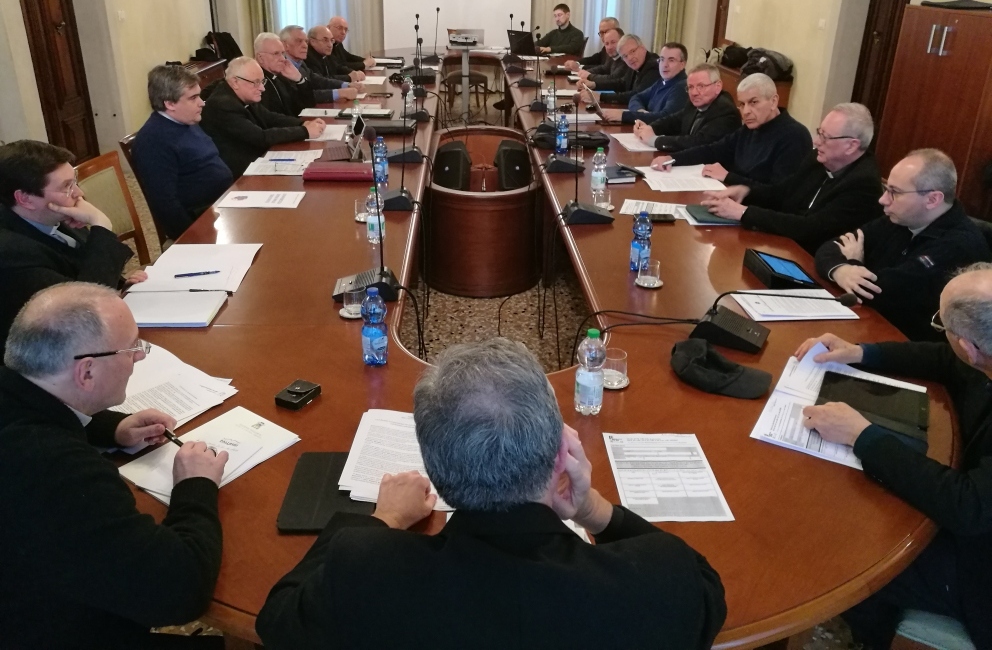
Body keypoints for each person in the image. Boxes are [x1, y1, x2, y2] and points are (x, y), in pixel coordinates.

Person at [256, 338, 726, 649]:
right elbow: (706, 586)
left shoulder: (363, 570)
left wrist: (386, 519)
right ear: (561, 456)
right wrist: (593, 509)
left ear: (435, 470)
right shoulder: (657, 582)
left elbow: (278, 619)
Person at [0, 282, 229, 648]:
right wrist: (195, 486)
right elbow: (179, 591)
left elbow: (29, 409)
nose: (138, 357)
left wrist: (111, 429)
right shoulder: (55, 471)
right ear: (86, 373)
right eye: (131, 349)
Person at [795, 261, 992, 649]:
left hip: (980, 569)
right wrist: (861, 353)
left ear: (969, 348)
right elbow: (944, 360)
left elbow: (969, 508)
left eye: (943, 327)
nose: (944, 337)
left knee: (855, 551)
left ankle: (862, 639)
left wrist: (862, 435)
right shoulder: (983, 353)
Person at [814, 148, 989, 341]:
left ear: (932, 199)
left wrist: (853, 262)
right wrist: (842, 270)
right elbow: (830, 246)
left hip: (907, 343)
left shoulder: (958, 246)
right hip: (870, 323)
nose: (883, 200)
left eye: (894, 192)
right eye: (886, 189)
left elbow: (882, 292)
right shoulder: (900, 218)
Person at [0, 140, 144, 359]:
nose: (79, 192)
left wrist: (122, 284)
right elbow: (84, 311)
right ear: (25, 199)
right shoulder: (11, 253)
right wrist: (101, 225)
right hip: (51, 359)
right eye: (66, 187)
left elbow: (83, 267)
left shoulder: (51, 213)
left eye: (74, 182)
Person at [699, 103, 884, 254]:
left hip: (814, 261)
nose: (816, 141)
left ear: (851, 146)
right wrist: (746, 191)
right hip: (785, 246)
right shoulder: (817, 159)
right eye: (819, 132)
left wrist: (743, 212)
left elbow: (811, 229)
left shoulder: (864, 185)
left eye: (825, 137)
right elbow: (782, 192)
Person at [650, 73, 812, 187]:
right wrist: (673, 158)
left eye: (753, 102)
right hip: (733, 202)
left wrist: (729, 177)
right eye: (741, 104)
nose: (746, 111)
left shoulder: (794, 136)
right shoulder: (749, 129)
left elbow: (778, 194)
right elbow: (713, 150)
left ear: (774, 101)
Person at [130, 65, 233, 241]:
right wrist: (193, 239)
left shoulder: (186, 121)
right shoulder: (154, 141)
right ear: (169, 104)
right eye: (193, 98)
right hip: (202, 221)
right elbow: (166, 204)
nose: (202, 102)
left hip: (223, 206)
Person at [200, 56, 325, 178]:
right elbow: (260, 137)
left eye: (262, 81)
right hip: (239, 177)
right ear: (235, 82)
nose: (262, 88)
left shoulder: (242, 94)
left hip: (255, 162)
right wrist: (305, 131)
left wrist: (302, 123)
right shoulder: (222, 105)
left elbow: (270, 117)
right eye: (256, 82)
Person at [632, 63, 740, 153]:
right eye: (690, 87)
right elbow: (674, 120)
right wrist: (649, 128)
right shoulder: (696, 102)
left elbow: (697, 142)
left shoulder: (725, 110)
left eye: (701, 86)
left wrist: (654, 140)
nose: (694, 93)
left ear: (718, 86)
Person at [280, 26, 359, 104]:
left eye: (306, 41)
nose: (305, 45)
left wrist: (346, 85)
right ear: (285, 45)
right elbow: (299, 97)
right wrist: (339, 93)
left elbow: (318, 80)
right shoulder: (281, 67)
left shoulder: (300, 63)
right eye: (299, 41)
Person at [580, 34, 660, 108]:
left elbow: (637, 95)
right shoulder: (636, 62)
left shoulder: (653, 66)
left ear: (643, 48)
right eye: (625, 56)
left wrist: (601, 97)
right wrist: (595, 85)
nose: (630, 58)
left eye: (632, 51)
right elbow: (622, 83)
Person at [619, 42, 688, 124]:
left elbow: (665, 118)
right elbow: (636, 97)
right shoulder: (662, 81)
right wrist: (640, 112)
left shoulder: (682, 87)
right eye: (662, 59)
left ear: (682, 64)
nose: (665, 65)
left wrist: (623, 116)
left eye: (671, 60)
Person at [253, 32, 317, 117]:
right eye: (276, 54)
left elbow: (308, 105)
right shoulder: (256, 82)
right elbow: (270, 118)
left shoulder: (282, 76)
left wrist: (299, 79)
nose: (282, 59)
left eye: (283, 53)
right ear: (260, 58)